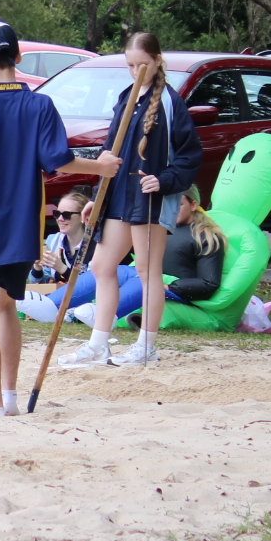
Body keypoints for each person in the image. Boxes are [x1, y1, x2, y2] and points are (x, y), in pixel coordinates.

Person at [0, 19, 121, 418]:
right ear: (18, 56)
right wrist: (100, 166)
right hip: (24, 225)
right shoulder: (40, 104)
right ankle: (9, 398)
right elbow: (59, 159)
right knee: (7, 307)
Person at [58, 29, 199, 367]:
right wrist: (98, 198)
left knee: (148, 271)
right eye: (131, 66)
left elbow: (190, 155)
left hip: (150, 197)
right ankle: (98, 344)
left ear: (158, 61)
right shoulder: (126, 98)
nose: (137, 73)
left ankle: (146, 345)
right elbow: (112, 152)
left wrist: (163, 180)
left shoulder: (170, 103)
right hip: (120, 195)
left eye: (143, 65)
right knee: (101, 265)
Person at [16, 188, 143, 326]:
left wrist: (62, 268)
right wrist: (37, 267)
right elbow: (40, 282)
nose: (60, 219)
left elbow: (92, 283)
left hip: (104, 295)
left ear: (84, 216)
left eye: (67, 215)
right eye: (57, 213)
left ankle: (72, 313)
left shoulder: (98, 244)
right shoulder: (53, 240)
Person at [160, 186, 226, 308]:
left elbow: (209, 283)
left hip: (178, 296)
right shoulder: (159, 231)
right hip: (152, 286)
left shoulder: (207, 237)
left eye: (178, 204)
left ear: (193, 205)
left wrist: (169, 288)